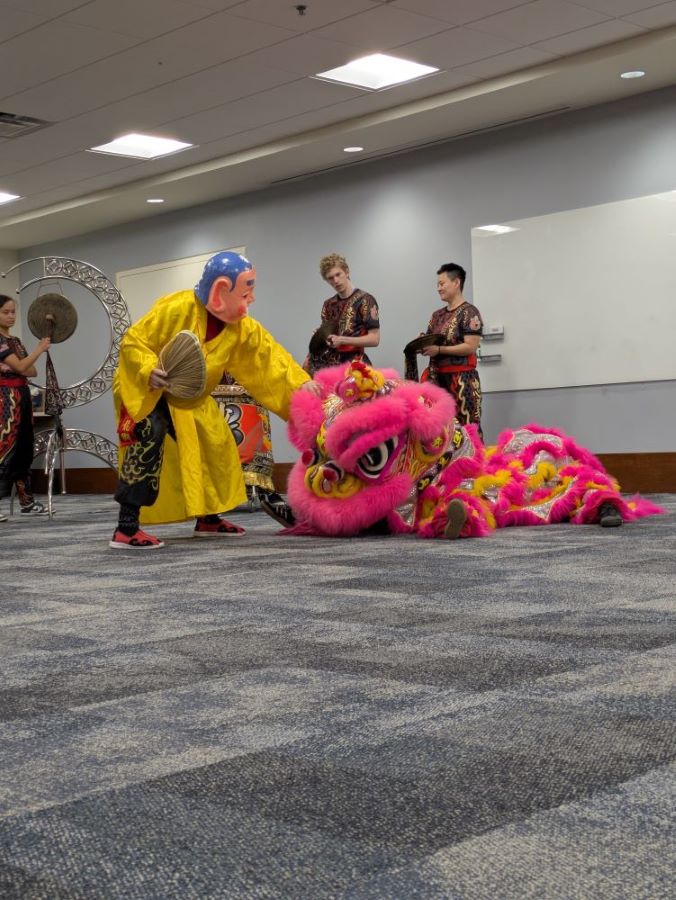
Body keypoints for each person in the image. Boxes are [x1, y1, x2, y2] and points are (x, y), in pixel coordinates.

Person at [110, 251, 311, 549]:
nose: (251, 298)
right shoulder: (177, 308)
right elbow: (134, 340)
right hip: (147, 390)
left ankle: (208, 518)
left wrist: (304, 387)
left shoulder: (241, 328)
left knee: (215, 444)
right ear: (219, 292)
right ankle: (126, 528)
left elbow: (271, 362)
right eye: (246, 292)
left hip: (190, 397)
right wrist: (147, 368)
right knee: (148, 440)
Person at [0, 294, 51, 520]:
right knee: (3, 447)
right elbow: (22, 365)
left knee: (24, 446)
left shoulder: (16, 342)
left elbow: (30, 371)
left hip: (22, 394)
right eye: (5, 312)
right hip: (4, 397)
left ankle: (26, 501)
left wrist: (19, 366)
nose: (11, 316)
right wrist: (39, 349)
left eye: (13, 312)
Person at [420, 262, 483, 439]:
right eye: (437, 285)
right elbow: (431, 340)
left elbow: (470, 346)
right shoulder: (437, 315)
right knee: (442, 432)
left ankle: (474, 465)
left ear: (456, 283)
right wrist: (422, 343)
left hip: (463, 380)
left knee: (468, 429)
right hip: (437, 380)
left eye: (442, 283)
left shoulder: (470, 312)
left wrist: (439, 350)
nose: (438, 288)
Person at [303, 253, 380, 376]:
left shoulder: (366, 300)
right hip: (330, 368)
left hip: (356, 367)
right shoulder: (328, 304)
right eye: (330, 278)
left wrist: (343, 340)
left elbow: (374, 339)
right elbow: (326, 337)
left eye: (338, 274)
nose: (336, 281)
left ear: (347, 272)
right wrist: (319, 338)